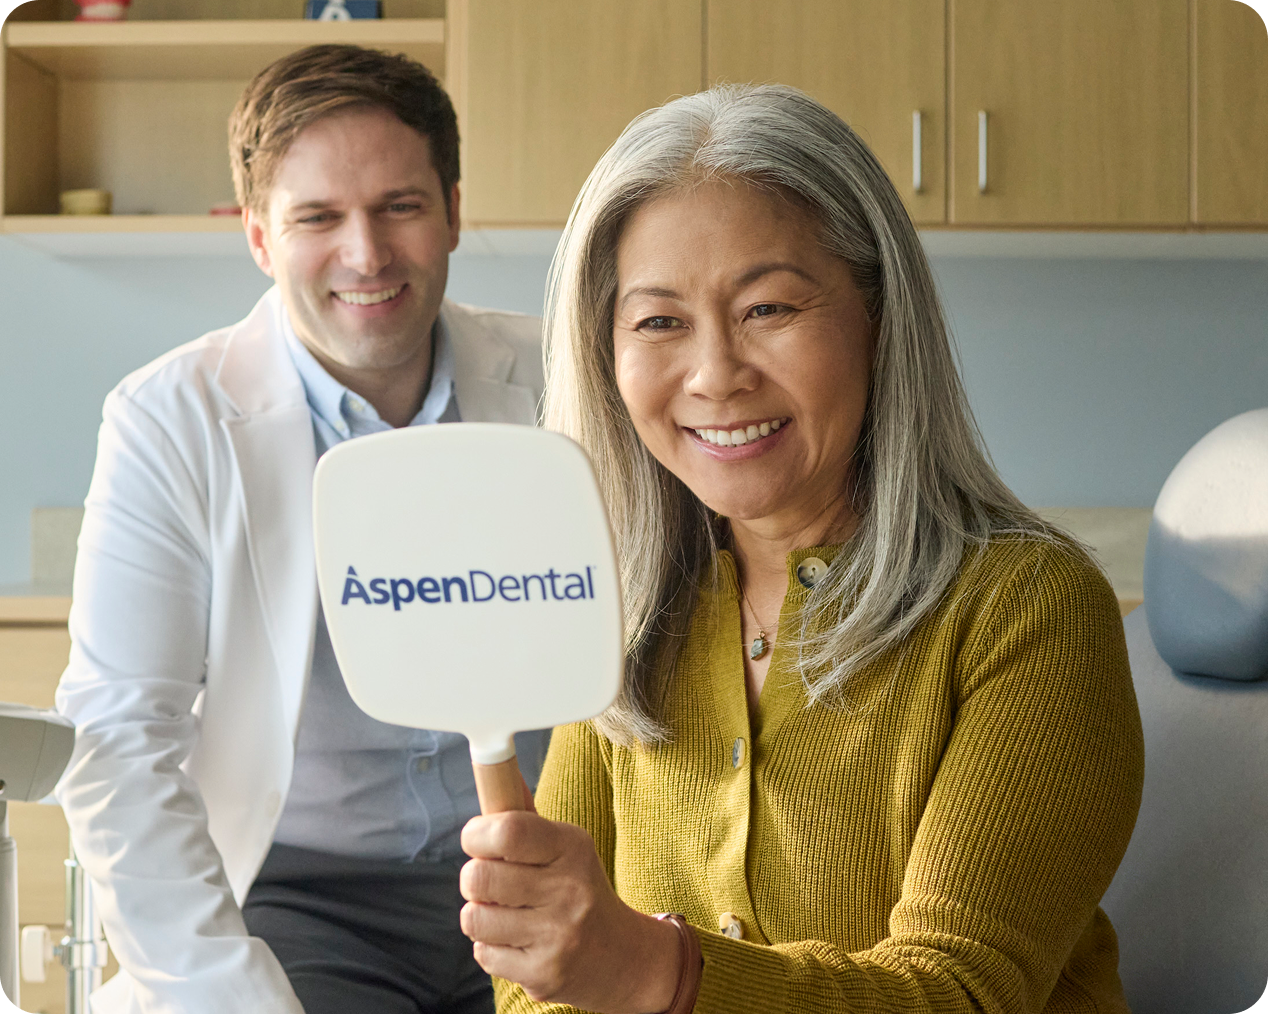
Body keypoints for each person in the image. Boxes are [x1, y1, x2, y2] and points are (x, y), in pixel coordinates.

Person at [458, 84, 1145, 1014]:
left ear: (878, 316)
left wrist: (654, 972)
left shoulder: (1030, 608)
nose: (715, 376)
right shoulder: (624, 606)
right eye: (659, 321)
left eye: (769, 308)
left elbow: (964, 995)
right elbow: (538, 990)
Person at [54, 44, 548, 1014]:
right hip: (306, 899)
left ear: (452, 209)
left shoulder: (566, 374)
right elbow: (120, 735)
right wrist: (220, 989)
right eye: (317, 217)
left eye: (399, 207)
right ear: (258, 237)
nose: (365, 255)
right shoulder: (170, 418)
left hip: (544, 864)